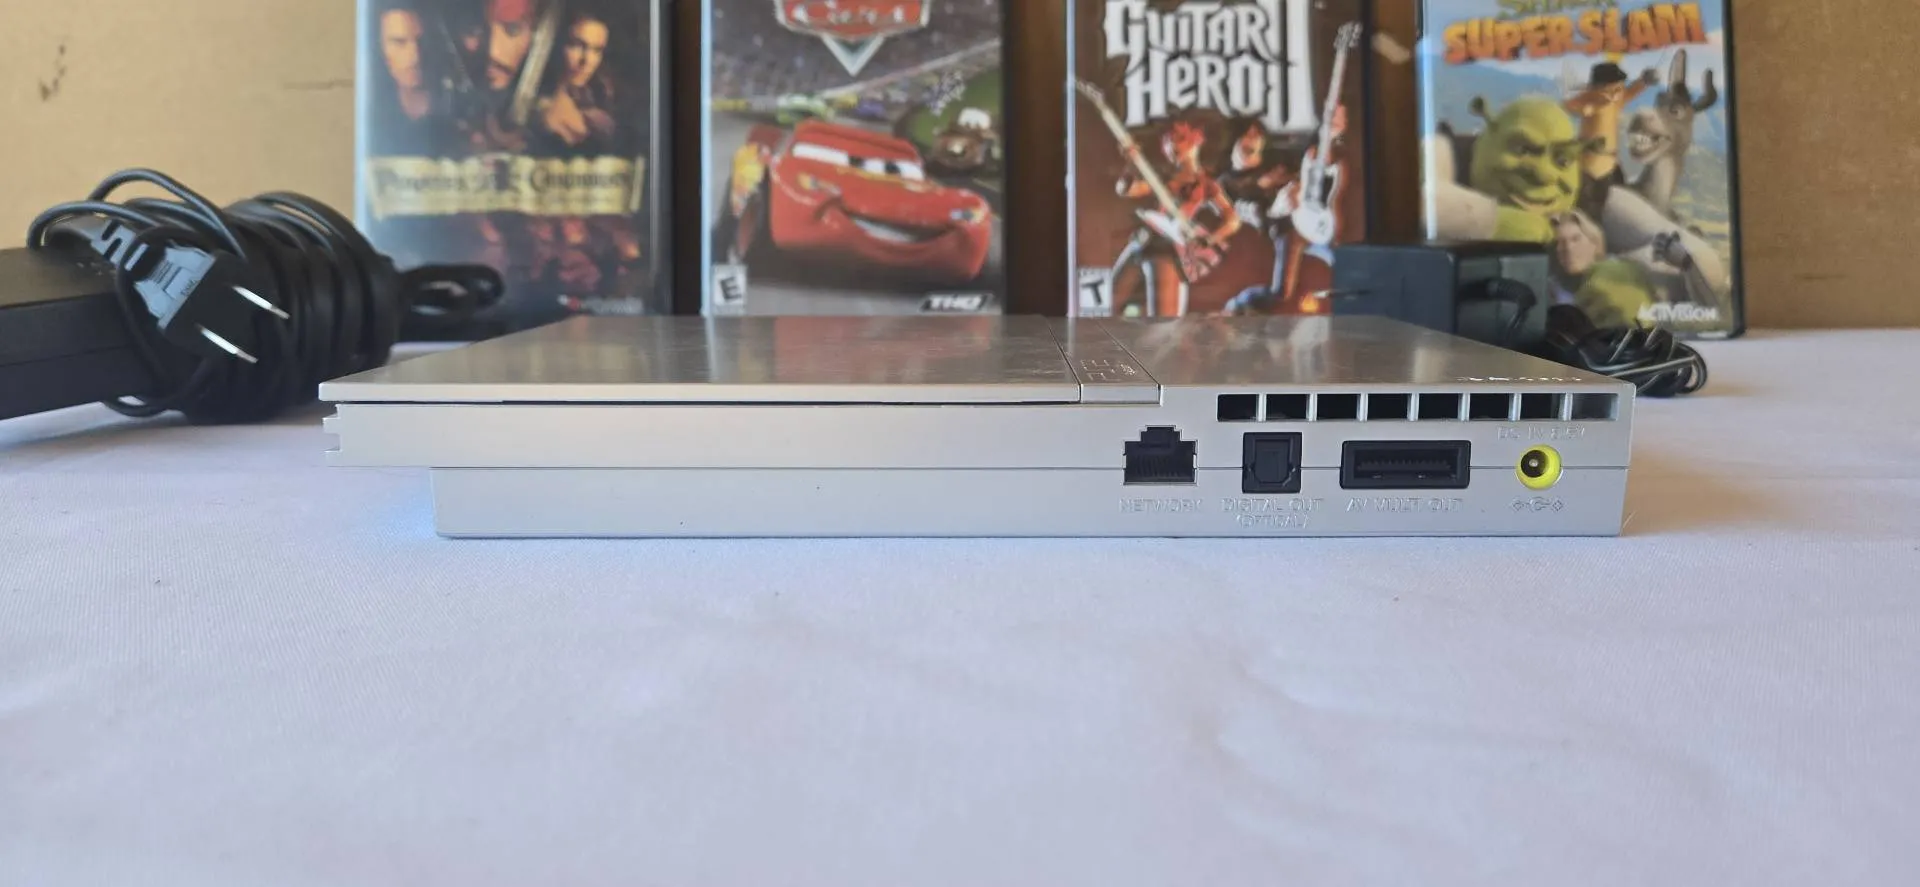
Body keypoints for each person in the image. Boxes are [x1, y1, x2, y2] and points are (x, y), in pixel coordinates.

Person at [537, 12, 619, 153]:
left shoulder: (600, 98)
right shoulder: (536, 102)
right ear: (558, 44)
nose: (586, 61)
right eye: (576, 45)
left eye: (597, 50)